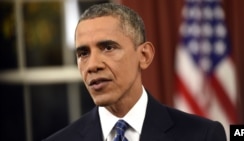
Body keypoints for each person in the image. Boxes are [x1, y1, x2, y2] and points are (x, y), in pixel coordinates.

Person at [43, 3, 227, 141]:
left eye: (108, 47)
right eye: (83, 53)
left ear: (144, 55)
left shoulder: (203, 135)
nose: (92, 65)